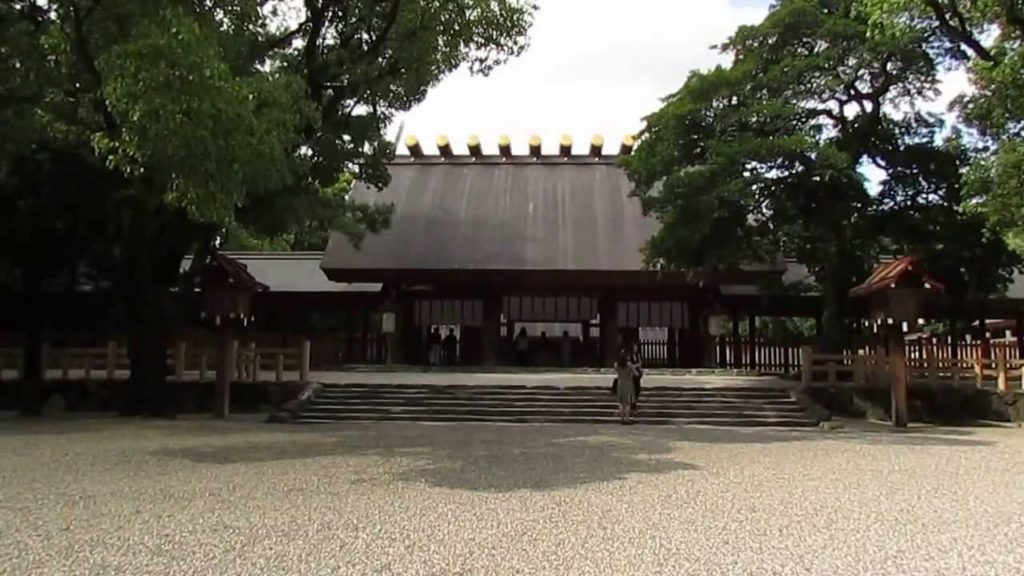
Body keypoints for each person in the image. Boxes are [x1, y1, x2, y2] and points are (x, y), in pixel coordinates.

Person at [614, 344, 639, 424]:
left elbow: (617, 371)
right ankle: (627, 418)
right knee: (628, 402)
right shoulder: (629, 364)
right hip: (628, 383)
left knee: (621, 402)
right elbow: (636, 374)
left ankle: (621, 419)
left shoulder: (616, 364)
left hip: (620, 383)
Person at [629, 340, 643, 414]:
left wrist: (637, 366)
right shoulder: (630, 355)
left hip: (637, 373)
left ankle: (634, 404)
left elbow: (640, 363)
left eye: (636, 347)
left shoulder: (637, 355)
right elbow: (630, 365)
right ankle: (633, 406)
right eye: (634, 347)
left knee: (638, 390)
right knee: (633, 391)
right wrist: (636, 365)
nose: (636, 348)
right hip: (632, 374)